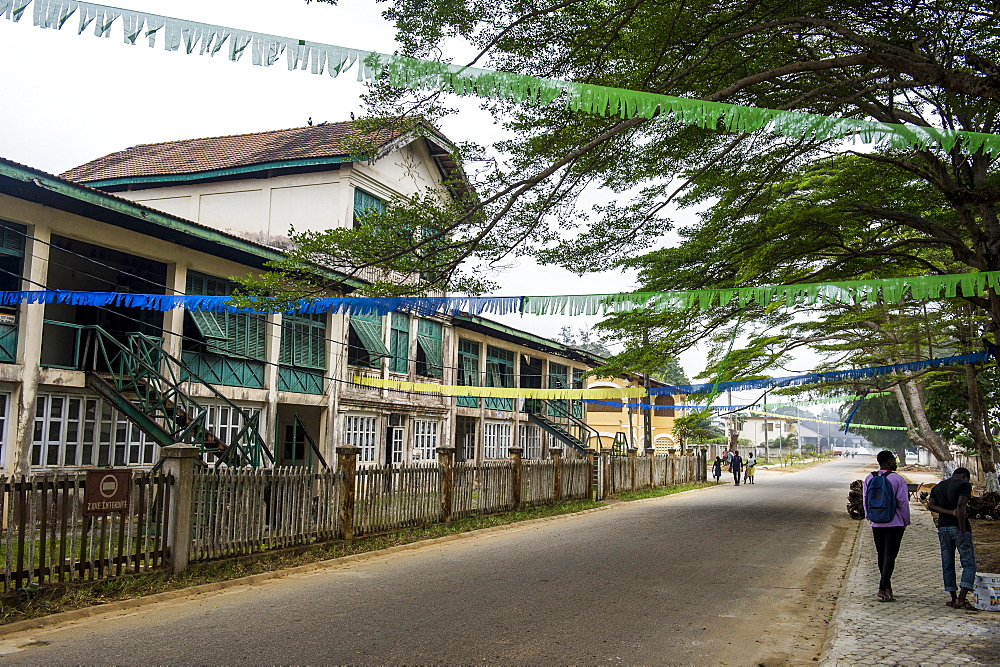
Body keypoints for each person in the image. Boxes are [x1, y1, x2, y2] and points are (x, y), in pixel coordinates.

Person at [927, 467, 978, 611]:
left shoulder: (938, 487)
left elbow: (931, 505)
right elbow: (961, 506)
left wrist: (948, 512)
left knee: (947, 562)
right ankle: (962, 599)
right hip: (959, 528)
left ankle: (953, 597)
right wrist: (962, 528)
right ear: (964, 476)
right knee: (968, 563)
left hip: (943, 528)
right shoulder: (964, 485)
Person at [863, 450, 911, 601]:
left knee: (881, 555)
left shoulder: (869, 478)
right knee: (890, 555)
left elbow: (865, 500)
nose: (895, 462)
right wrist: (905, 521)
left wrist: (869, 517)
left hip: (876, 522)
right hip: (894, 523)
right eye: (894, 460)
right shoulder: (898, 479)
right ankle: (882, 588)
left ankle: (887, 587)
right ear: (889, 461)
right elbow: (903, 502)